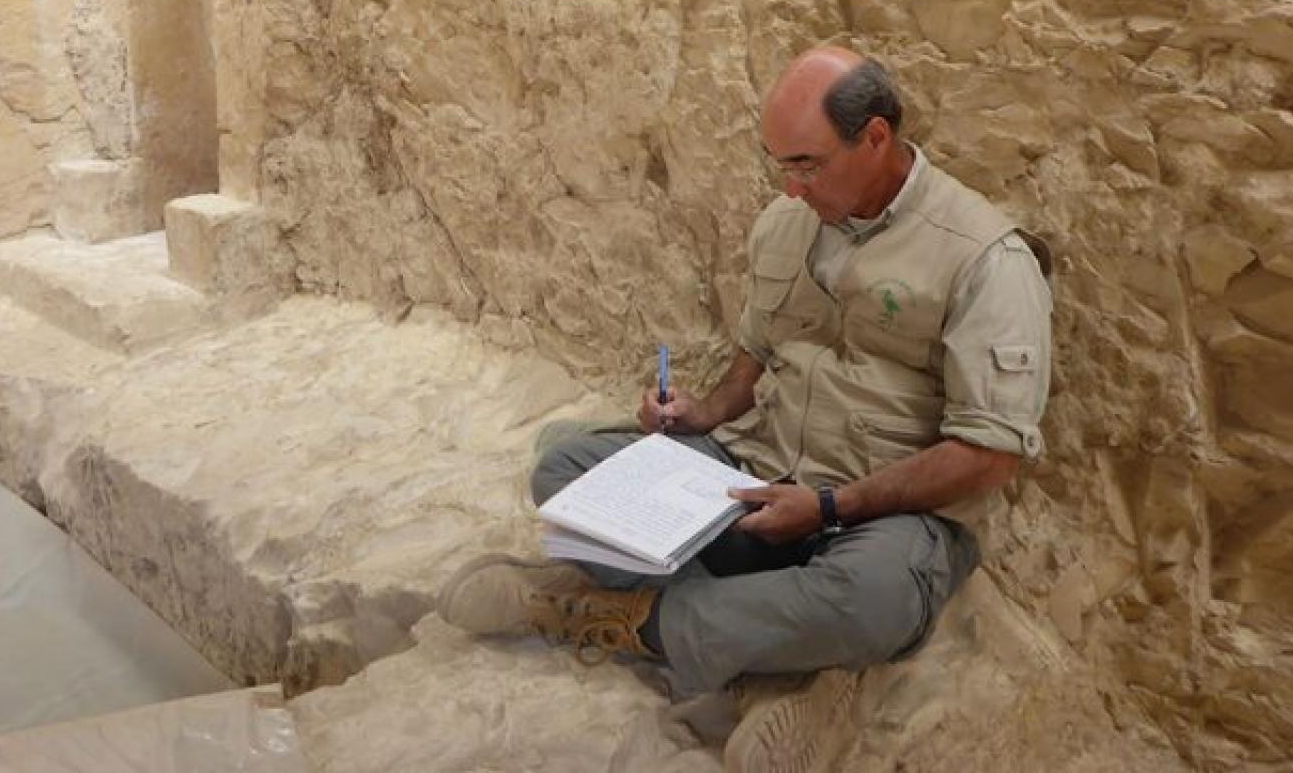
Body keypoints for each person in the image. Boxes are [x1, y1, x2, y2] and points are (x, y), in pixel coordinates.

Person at [437, 47, 1053, 741]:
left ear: (876, 138)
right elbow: (755, 355)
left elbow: (989, 455)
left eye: (807, 164)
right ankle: (770, 656)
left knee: (871, 599)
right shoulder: (785, 224)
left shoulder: (984, 258)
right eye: (780, 163)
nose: (791, 187)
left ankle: (604, 615)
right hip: (755, 483)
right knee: (564, 468)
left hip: (883, 518)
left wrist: (830, 504)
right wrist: (702, 411)